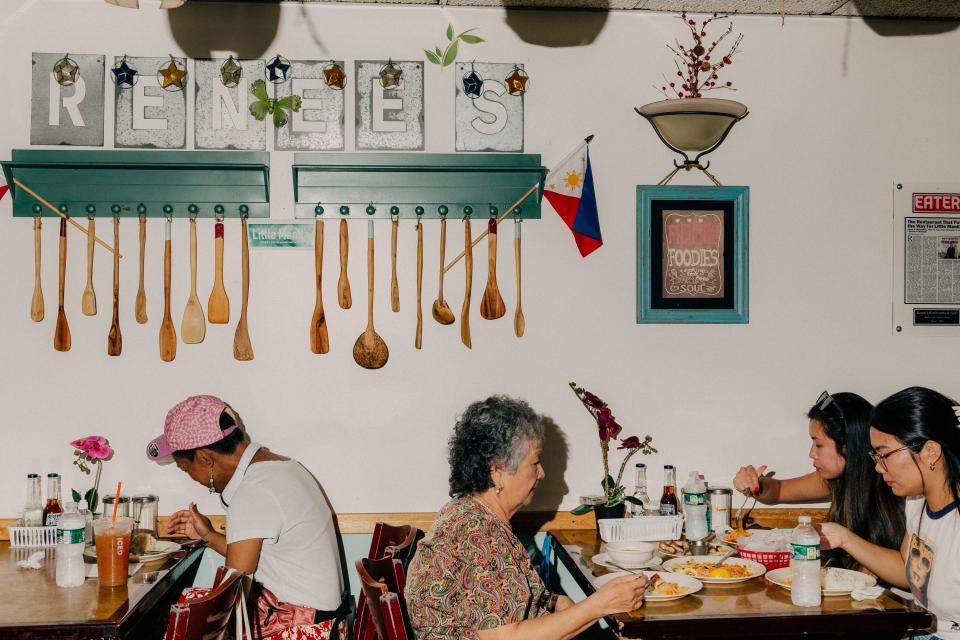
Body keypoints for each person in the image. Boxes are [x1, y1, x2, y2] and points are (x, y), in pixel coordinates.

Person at [405, 395, 647, 640]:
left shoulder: (471, 514)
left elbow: (502, 596)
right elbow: (507, 637)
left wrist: (553, 600)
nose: (541, 473)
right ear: (498, 471)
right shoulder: (477, 533)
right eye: (535, 462)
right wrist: (599, 605)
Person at [146, 395, 347, 640]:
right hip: (324, 623)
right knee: (186, 607)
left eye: (185, 469)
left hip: (302, 630)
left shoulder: (254, 491)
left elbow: (230, 596)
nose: (194, 479)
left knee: (177, 620)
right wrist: (208, 536)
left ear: (205, 458)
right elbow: (255, 561)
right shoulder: (281, 468)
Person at [817, 387, 960, 640]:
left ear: (930, 451)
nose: (878, 468)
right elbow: (907, 571)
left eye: (884, 454)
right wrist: (844, 538)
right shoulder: (916, 502)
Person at [733, 391, 904, 570]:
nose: (811, 453)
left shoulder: (893, 482)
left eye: (819, 444)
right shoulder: (837, 479)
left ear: (848, 445)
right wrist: (754, 484)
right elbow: (779, 490)